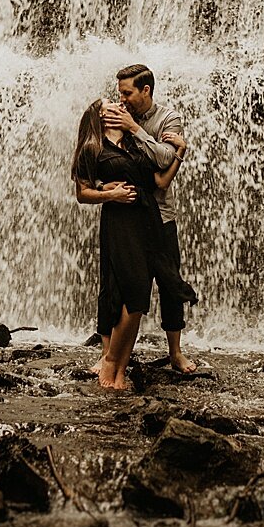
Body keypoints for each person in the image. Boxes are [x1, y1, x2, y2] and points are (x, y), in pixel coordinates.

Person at [72, 97, 196, 390]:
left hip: (149, 220)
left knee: (139, 297)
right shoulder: (93, 147)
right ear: (101, 116)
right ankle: (111, 362)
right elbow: (81, 193)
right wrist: (108, 194)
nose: (119, 103)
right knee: (127, 291)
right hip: (120, 222)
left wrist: (179, 152)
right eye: (112, 104)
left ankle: (120, 369)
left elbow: (161, 182)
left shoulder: (136, 144)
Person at [104, 63, 198, 374]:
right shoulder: (115, 115)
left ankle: (175, 352)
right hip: (127, 216)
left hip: (160, 216)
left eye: (127, 92)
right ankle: (111, 355)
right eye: (120, 93)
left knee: (169, 283)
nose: (122, 98)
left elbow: (164, 160)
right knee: (117, 286)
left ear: (146, 90)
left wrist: (134, 129)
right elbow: (101, 154)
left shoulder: (169, 119)